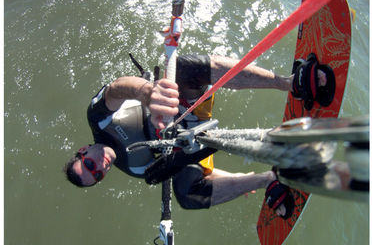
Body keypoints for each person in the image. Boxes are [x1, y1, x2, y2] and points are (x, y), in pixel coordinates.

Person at [63, 53, 331, 217]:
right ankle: (268, 180)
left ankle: (289, 83)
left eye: (90, 165)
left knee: (182, 67)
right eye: (97, 176)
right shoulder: (134, 167)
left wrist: (148, 94)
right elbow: (189, 169)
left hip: (182, 103)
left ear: (85, 150)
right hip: (193, 135)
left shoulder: (99, 120)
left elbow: (116, 89)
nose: (100, 169)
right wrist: (239, 180)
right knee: (186, 196)